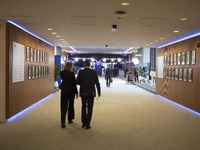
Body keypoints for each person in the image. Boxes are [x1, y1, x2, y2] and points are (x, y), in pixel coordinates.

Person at [76, 60, 101, 129]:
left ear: (84, 65)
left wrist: (82, 82)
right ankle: (88, 124)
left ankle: (83, 122)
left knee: (83, 106)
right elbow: (97, 83)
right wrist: (99, 92)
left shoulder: (81, 72)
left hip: (83, 92)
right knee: (90, 108)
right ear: (90, 65)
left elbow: (78, 82)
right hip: (91, 92)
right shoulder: (94, 72)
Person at [59, 62, 78, 128]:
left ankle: (63, 122)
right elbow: (74, 83)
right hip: (71, 91)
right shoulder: (72, 73)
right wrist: (76, 92)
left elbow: (63, 79)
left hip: (64, 90)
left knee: (63, 106)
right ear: (70, 66)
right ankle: (70, 119)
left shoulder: (62, 73)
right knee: (70, 105)